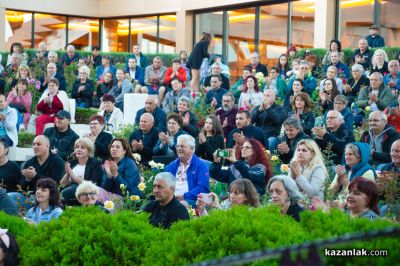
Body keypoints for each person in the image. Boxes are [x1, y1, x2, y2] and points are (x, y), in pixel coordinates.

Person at [165, 134, 210, 207]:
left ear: (192, 149)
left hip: (192, 201)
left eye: (182, 146)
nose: (179, 148)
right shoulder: (171, 166)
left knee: (181, 205)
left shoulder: (201, 166)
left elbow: (202, 188)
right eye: (178, 146)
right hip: (171, 199)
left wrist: (184, 196)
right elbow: (165, 185)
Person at [60, 138, 103, 204]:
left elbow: (93, 186)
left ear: (89, 151)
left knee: (63, 194)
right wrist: (68, 173)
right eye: (77, 147)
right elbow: (62, 184)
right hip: (69, 189)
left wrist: (74, 178)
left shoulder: (96, 164)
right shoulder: (72, 162)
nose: (79, 149)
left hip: (86, 193)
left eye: (82, 148)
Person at [378, 140, 400, 216]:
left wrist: (394, 183)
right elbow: (380, 194)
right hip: (386, 201)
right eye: (392, 151)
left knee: (385, 209)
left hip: (397, 202)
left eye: (397, 151)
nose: (393, 154)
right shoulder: (386, 167)